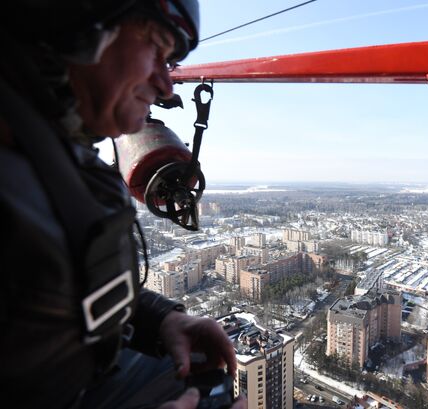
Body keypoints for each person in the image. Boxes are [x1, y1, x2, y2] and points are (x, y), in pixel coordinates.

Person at [0, 1, 246, 408]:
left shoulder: (49, 153)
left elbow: (48, 310)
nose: (166, 86)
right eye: (156, 47)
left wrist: (161, 320)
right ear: (80, 24)